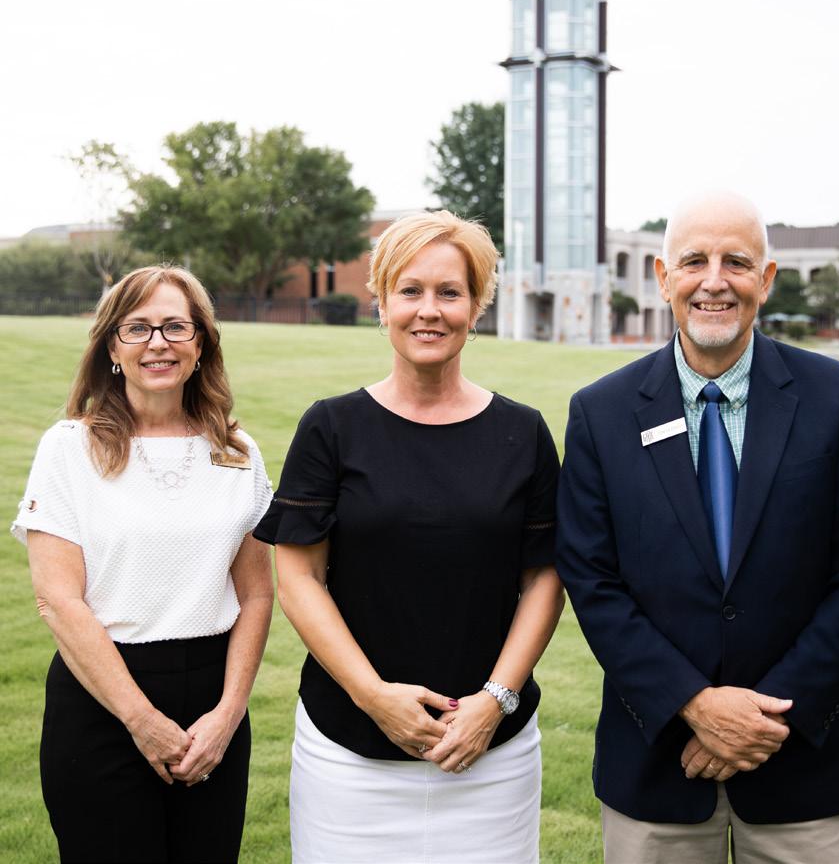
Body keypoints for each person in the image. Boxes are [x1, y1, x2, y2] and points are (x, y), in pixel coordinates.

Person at [556, 190, 839, 863]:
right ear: (663, 277)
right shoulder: (601, 412)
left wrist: (763, 719)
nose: (714, 281)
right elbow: (593, 581)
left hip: (803, 766)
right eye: (694, 261)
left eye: (736, 261)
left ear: (766, 279)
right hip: (657, 764)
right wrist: (693, 704)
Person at [254, 210, 563, 863]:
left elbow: (544, 577)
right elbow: (300, 578)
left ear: (476, 306)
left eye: (450, 292)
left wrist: (495, 702)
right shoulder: (330, 428)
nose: (429, 310)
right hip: (348, 758)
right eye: (410, 290)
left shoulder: (524, 432)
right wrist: (374, 698)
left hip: (492, 759)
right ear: (382, 302)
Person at [12, 265, 274, 863]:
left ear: (201, 343)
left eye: (176, 326)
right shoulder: (68, 448)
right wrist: (141, 719)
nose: (158, 343)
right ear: (112, 347)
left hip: (214, 704)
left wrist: (229, 713)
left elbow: (258, 594)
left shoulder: (237, 451)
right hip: (102, 700)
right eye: (138, 328)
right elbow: (58, 599)